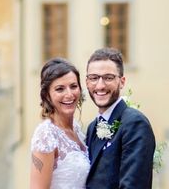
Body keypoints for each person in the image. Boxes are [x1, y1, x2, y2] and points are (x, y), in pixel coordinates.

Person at [84, 48, 156, 188]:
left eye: (108, 78)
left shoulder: (135, 123)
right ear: (87, 82)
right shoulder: (93, 127)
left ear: (122, 82)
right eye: (94, 78)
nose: (100, 85)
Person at [30, 58, 90, 189]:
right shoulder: (46, 135)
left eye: (73, 86)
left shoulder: (77, 129)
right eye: (60, 89)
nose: (69, 94)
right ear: (47, 95)